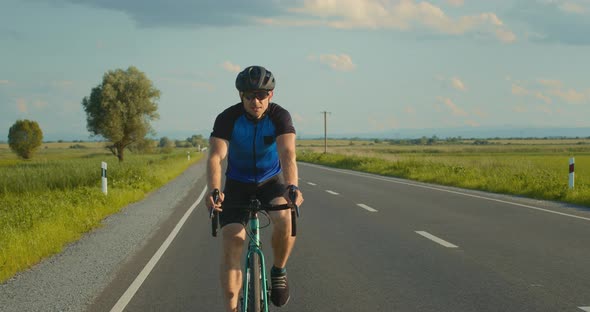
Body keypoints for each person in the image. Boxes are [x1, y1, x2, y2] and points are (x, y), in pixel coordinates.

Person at [206, 65, 304, 311]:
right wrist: (214, 190)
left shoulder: (280, 117)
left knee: (285, 219)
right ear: (241, 96)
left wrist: (292, 186)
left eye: (261, 95)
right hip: (237, 183)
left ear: (270, 95)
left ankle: (278, 270)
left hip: (269, 181)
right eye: (250, 95)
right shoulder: (227, 118)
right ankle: (232, 306)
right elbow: (216, 157)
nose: (256, 101)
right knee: (233, 239)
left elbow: (287, 153)